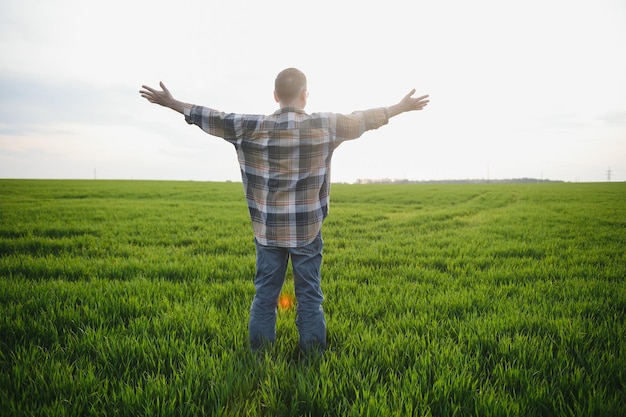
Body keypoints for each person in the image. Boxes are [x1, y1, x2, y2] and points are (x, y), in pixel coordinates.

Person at [140, 68, 429, 353]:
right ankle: (312, 362)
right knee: (309, 299)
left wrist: (173, 103)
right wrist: (400, 108)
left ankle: (259, 359)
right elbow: (364, 119)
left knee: (265, 297)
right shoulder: (325, 125)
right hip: (307, 231)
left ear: (276, 95)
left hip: (267, 232)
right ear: (305, 95)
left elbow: (212, 117)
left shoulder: (251, 126)